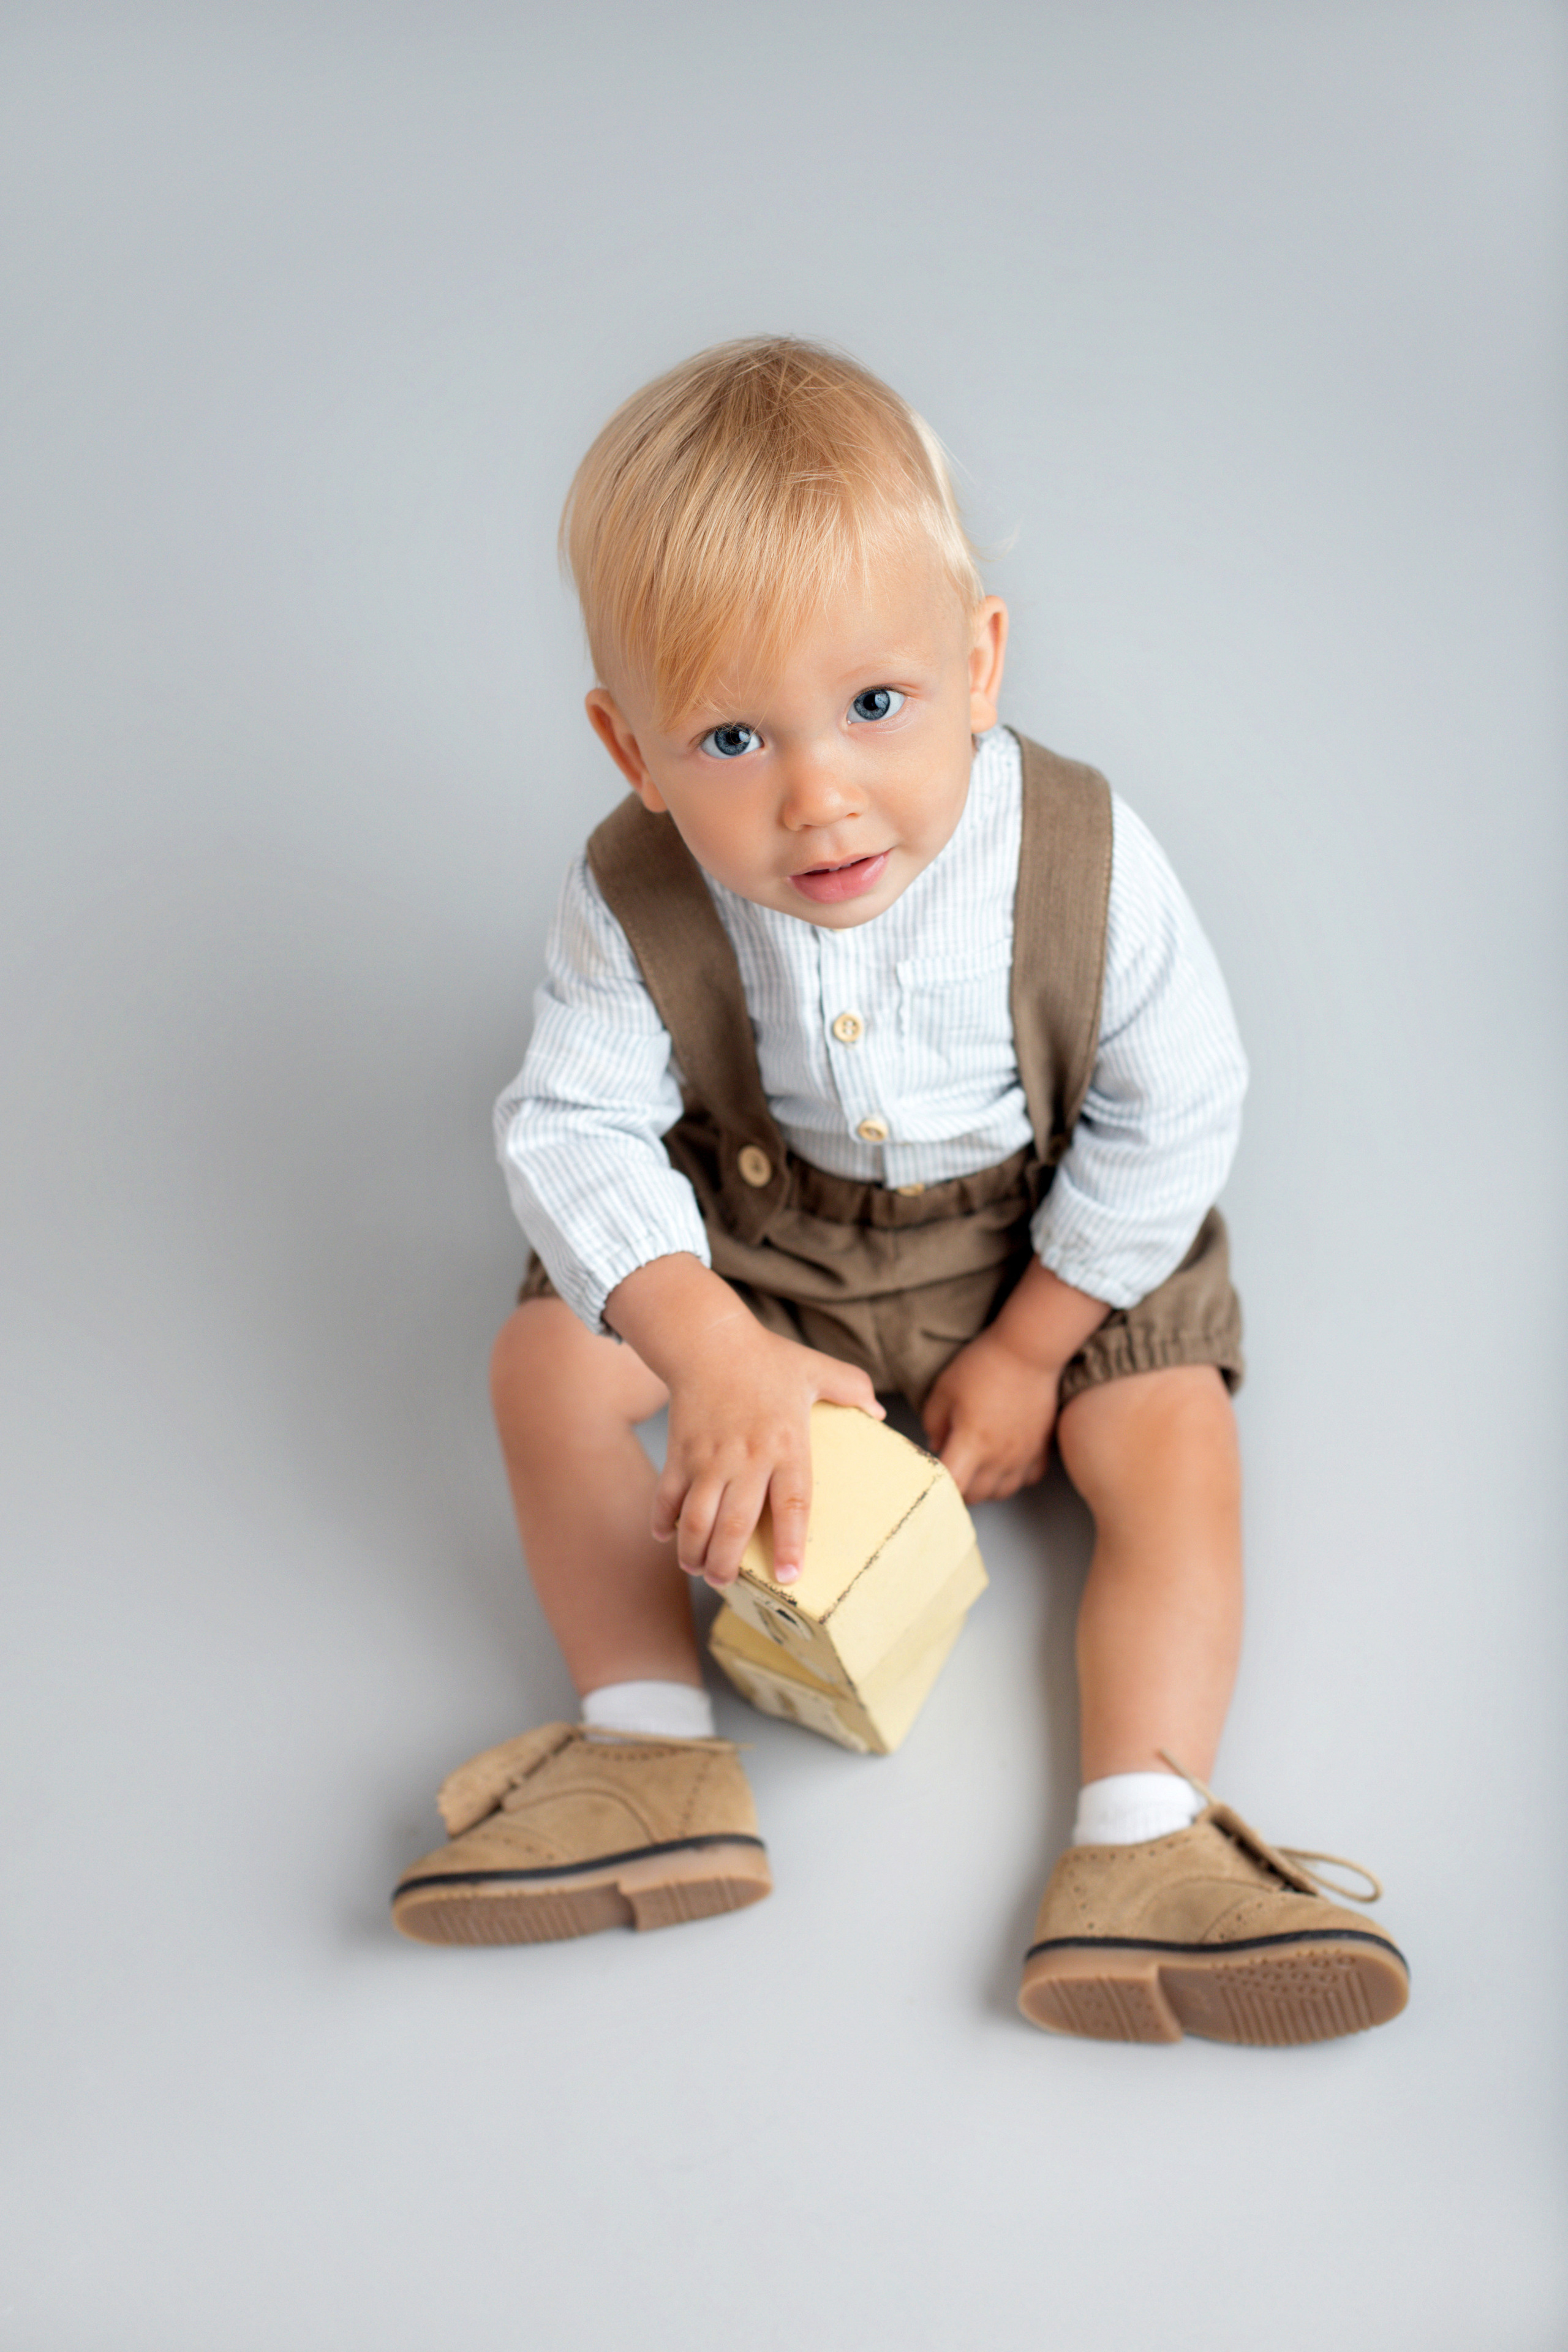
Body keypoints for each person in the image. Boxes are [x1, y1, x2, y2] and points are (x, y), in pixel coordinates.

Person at [391, 337, 1408, 2045]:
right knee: (545, 1368)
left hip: (1052, 1230)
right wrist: (707, 1349)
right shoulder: (627, 892)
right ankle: (648, 1746)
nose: (819, 795)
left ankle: (1144, 1844)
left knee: (1168, 1442)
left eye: (876, 705)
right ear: (627, 745)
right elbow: (569, 1128)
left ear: (979, 662)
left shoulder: (1085, 854)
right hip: (763, 1239)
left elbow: (1176, 1110)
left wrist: (1033, 1347)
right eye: (729, 734)